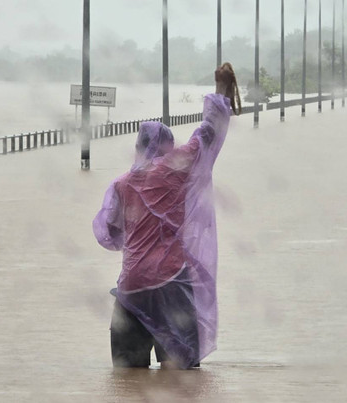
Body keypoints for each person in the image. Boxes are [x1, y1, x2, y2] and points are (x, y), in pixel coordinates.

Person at [93, 63, 241, 369]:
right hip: (171, 284)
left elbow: (109, 232)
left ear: (138, 146)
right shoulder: (176, 170)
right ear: (168, 147)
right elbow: (208, 132)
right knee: (181, 377)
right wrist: (222, 89)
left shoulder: (120, 185)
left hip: (131, 289)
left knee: (128, 379)